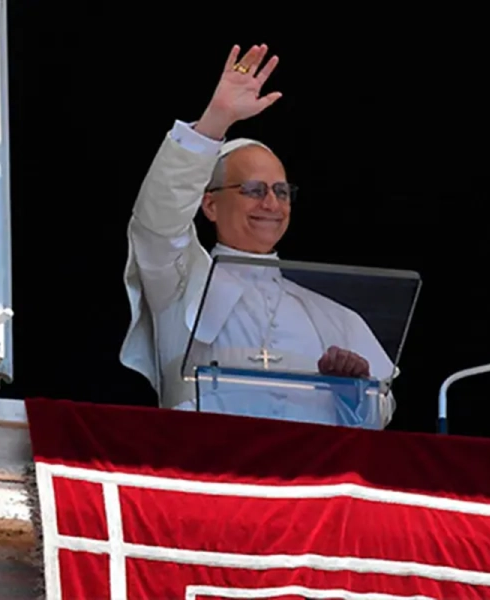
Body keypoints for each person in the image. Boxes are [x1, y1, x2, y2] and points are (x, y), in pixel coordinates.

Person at [119, 44, 396, 428]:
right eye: (253, 190)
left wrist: (352, 388)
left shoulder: (333, 315)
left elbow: (376, 420)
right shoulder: (178, 284)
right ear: (210, 204)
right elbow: (158, 220)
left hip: (305, 465)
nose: (271, 203)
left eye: (281, 191)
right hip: (204, 461)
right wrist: (215, 121)